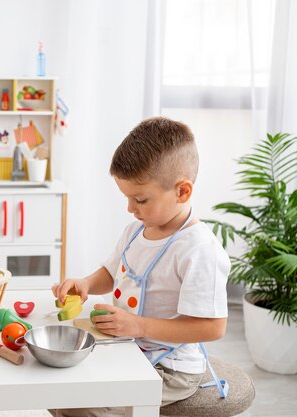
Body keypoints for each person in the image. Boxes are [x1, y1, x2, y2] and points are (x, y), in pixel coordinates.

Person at [51, 117, 230, 416]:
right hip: (128, 346)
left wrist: (138, 326)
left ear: (182, 192)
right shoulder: (135, 231)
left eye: (140, 199)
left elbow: (213, 327)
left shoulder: (199, 250)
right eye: (127, 198)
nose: (130, 208)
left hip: (172, 367)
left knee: (81, 408)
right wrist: (86, 284)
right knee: (60, 386)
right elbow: (111, 273)